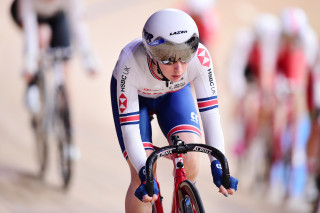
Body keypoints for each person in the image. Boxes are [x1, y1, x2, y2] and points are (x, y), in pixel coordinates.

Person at [110, 8, 238, 212]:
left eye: (185, 56)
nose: (178, 68)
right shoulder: (130, 61)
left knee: (191, 156)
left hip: (174, 94)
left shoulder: (202, 57)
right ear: (150, 51)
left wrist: (218, 165)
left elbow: (211, 116)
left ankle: (182, 202)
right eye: (168, 58)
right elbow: (130, 129)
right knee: (142, 172)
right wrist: (145, 174)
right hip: (137, 100)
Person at [10, 0, 97, 115]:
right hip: (30, 15)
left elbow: (78, 23)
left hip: (56, 15)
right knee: (41, 35)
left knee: (64, 65)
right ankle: (32, 85)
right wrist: (29, 65)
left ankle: (66, 118)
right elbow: (30, 35)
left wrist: (88, 57)